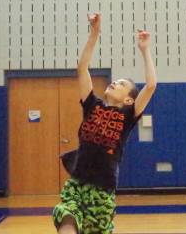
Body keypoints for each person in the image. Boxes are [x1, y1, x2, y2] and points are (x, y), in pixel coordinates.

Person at [53, 13, 157, 234]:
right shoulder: (92, 105)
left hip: (102, 190)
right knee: (65, 214)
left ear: (128, 99)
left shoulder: (129, 115)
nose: (113, 83)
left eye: (120, 84)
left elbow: (151, 86)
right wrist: (94, 34)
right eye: (114, 81)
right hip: (77, 183)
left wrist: (145, 50)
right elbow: (82, 68)